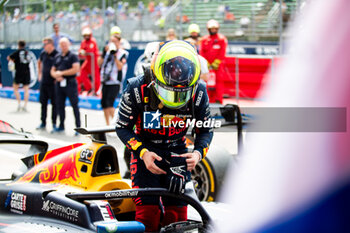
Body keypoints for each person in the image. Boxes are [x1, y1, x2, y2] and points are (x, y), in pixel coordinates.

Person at [115, 40, 213, 232]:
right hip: (146, 151)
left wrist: (198, 154)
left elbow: (206, 129)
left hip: (178, 152)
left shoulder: (199, 91)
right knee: (147, 217)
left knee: (177, 217)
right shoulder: (136, 88)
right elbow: (121, 127)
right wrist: (142, 152)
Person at [50, 37, 81, 133]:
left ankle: (78, 127)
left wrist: (61, 73)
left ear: (68, 45)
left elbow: (75, 69)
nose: (63, 46)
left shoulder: (73, 56)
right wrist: (56, 75)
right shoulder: (57, 57)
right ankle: (61, 125)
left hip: (70, 83)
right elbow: (52, 70)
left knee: (74, 105)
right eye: (62, 45)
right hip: (59, 84)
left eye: (65, 45)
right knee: (60, 105)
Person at [100, 35, 128, 125]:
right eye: (111, 41)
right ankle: (107, 124)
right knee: (104, 103)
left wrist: (115, 55)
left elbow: (120, 67)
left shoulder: (122, 53)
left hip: (115, 82)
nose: (113, 43)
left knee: (109, 103)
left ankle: (115, 124)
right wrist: (104, 52)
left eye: (115, 41)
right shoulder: (107, 53)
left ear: (119, 42)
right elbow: (98, 63)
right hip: (105, 81)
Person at [200, 19, 228, 103]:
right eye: (212, 29)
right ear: (208, 29)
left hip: (218, 67)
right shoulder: (204, 39)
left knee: (219, 83)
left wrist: (216, 62)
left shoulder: (221, 39)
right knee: (206, 83)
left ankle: (218, 100)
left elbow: (222, 52)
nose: (213, 30)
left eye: (215, 29)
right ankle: (207, 100)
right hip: (207, 67)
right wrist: (206, 63)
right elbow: (202, 52)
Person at [36, 37, 59, 130]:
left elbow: (60, 67)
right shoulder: (43, 53)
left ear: (50, 44)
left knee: (54, 104)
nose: (44, 46)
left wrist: (57, 77)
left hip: (53, 84)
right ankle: (43, 122)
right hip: (44, 82)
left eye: (45, 44)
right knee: (43, 103)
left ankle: (54, 123)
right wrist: (39, 74)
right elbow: (39, 62)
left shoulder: (57, 54)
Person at [7, 40, 31, 112]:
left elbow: (9, 57)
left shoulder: (17, 52)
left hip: (19, 72)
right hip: (27, 72)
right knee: (26, 89)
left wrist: (14, 61)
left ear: (19, 45)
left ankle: (19, 103)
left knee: (15, 88)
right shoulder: (27, 52)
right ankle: (25, 105)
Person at [77, 27, 100, 95]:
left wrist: (84, 52)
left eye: (88, 35)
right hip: (88, 60)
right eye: (85, 35)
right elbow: (81, 50)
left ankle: (95, 90)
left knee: (96, 77)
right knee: (82, 72)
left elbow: (91, 50)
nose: (86, 36)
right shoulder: (83, 42)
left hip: (94, 61)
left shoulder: (93, 41)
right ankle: (89, 88)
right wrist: (81, 52)